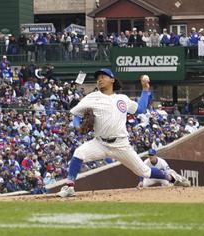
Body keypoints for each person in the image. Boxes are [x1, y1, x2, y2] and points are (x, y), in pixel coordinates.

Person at [57, 69, 189, 198]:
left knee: (145, 171)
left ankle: (171, 176)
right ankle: (69, 187)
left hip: (121, 144)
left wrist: (145, 89)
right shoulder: (92, 97)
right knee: (79, 153)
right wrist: (77, 126)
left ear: (112, 80)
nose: (100, 80)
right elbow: (76, 114)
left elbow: (141, 109)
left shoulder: (122, 99)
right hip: (100, 143)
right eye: (98, 78)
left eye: (103, 76)